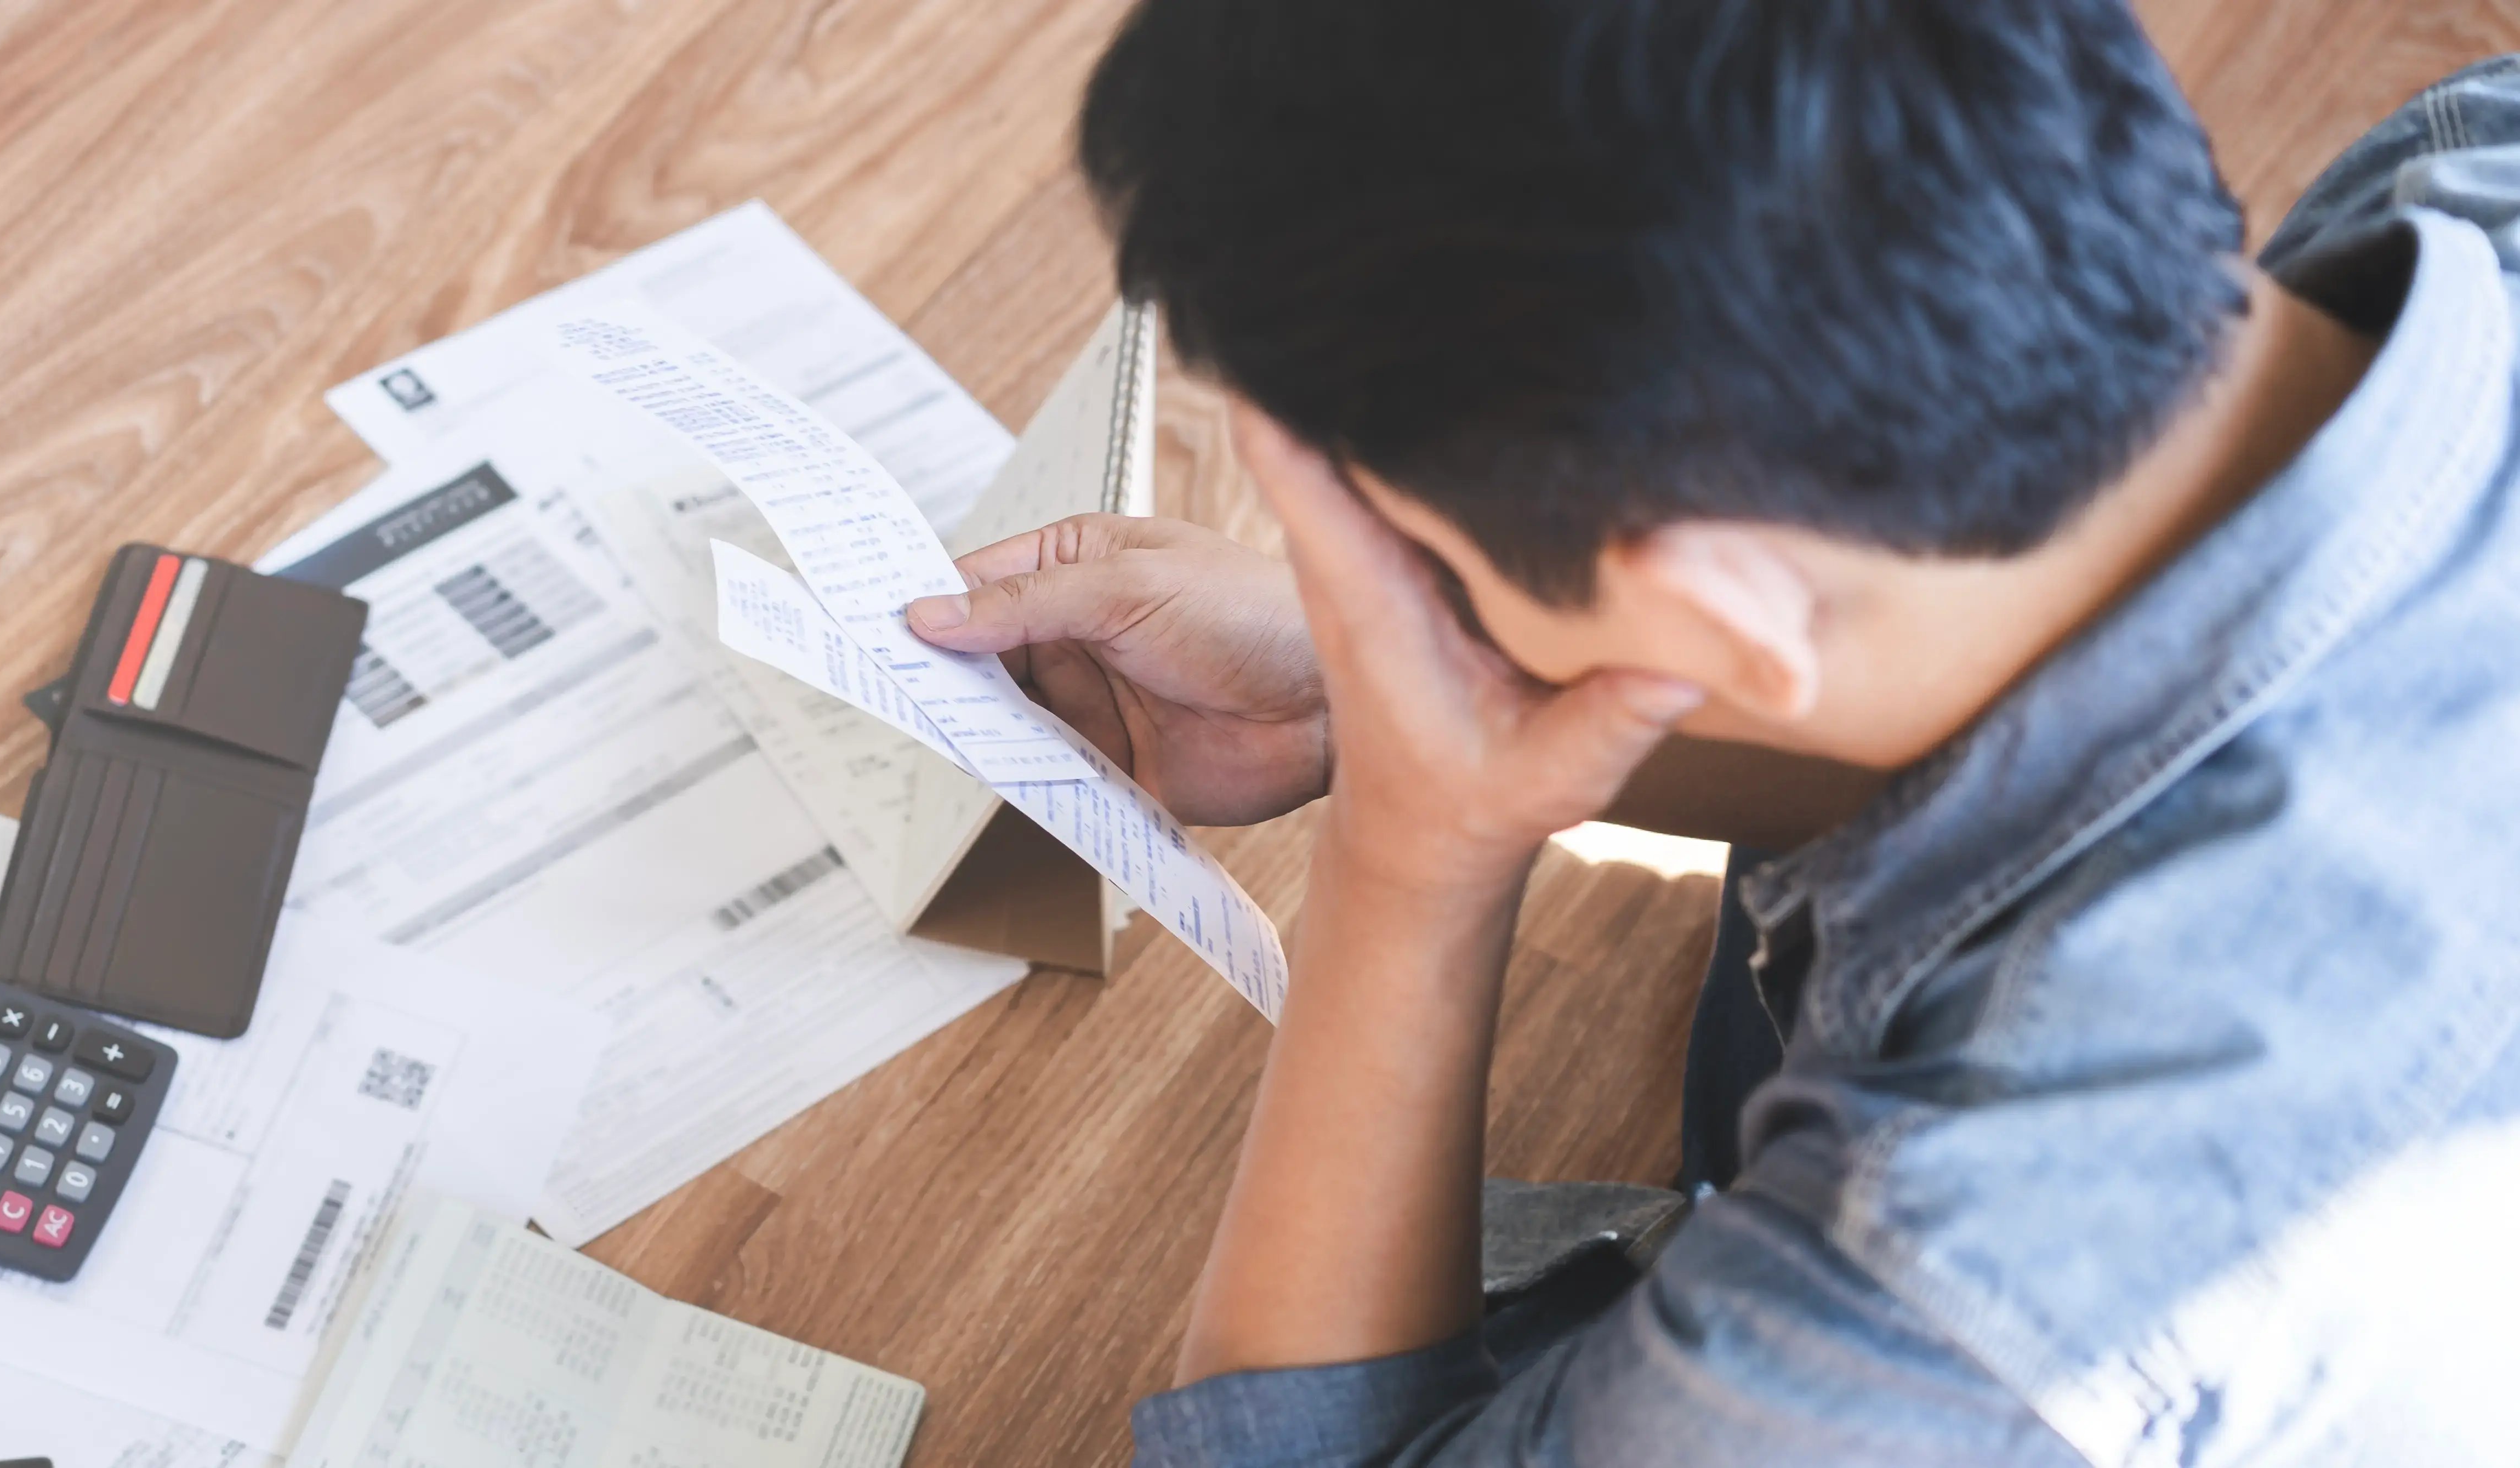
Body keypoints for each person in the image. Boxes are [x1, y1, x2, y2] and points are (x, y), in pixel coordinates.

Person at [901, 3, 2520, 1464]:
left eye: (1424, 570)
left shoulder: (1953, 1283)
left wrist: (1416, 844)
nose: (1407, 612)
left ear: (1721, 618)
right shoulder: (2465, 154)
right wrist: (1358, 684)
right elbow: (1957, 664)